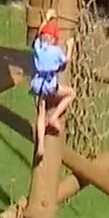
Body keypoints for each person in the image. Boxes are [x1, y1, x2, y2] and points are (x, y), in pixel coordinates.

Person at [29, 11, 75, 157]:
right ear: (54, 39)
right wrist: (70, 47)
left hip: (37, 85)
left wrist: (47, 18)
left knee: (40, 113)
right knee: (70, 93)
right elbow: (66, 60)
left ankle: (41, 146)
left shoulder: (37, 46)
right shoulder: (56, 51)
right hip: (50, 85)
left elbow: (39, 32)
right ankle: (55, 116)